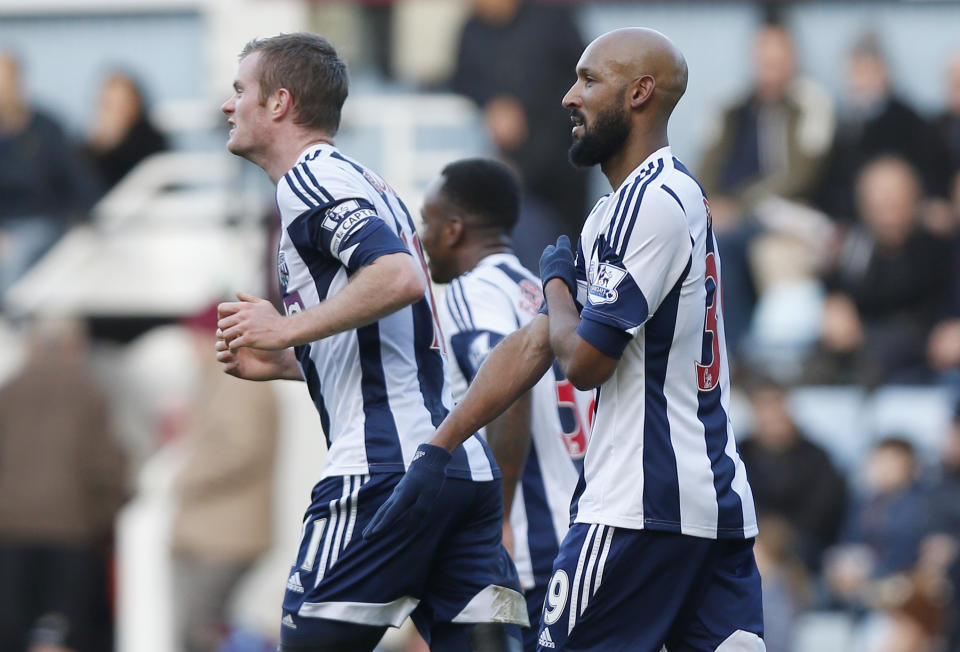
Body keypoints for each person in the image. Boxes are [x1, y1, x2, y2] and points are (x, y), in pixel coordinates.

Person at [367, 28, 764, 651]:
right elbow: (535, 345)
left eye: (588, 80)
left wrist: (555, 282)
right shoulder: (624, 207)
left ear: (639, 93)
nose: (568, 97)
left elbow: (581, 360)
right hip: (703, 505)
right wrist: (439, 448)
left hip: (638, 507)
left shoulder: (653, 202)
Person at [213, 33, 526, 652]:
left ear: (279, 103)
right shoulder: (366, 181)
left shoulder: (308, 180)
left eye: (239, 90)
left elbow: (399, 278)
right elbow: (396, 344)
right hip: (457, 464)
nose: (229, 106)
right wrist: (290, 362)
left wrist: (284, 326)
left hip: (384, 470)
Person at [419, 158, 591, 651]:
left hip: (530, 550)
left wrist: (501, 517)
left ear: (453, 230)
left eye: (427, 223)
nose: (421, 238)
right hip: (585, 536)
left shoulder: (468, 296)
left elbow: (508, 394)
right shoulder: (545, 293)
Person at [0, 316, 129, 652]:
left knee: (13, 632)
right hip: (72, 535)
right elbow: (109, 468)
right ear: (76, 346)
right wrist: (102, 520)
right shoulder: (90, 392)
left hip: (10, 532)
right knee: (67, 633)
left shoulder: (9, 390)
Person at [171, 304, 279, 652]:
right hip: (216, 532)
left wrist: (187, 476)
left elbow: (242, 447)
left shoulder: (240, 380)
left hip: (225, 536)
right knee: (206, 627)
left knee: (202, 632)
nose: (190, 346)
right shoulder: (220, 379)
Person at [450, 0, 588, 270]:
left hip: (563, 167)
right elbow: (461, 79)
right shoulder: (472, 28)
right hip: (509, 172)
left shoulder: (554, 21)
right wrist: (491, 103)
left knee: (570, 259)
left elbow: (583, 82)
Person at [0, 51, 96, 297]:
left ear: (19, 82)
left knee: (17, 256)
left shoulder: (47, 128)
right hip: (4, 226)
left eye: (7, 80)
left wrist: (86, 219)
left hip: (41, 222)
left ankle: (13, 327)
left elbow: (77, 179)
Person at [83, 70, 167, 197]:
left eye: (121, 103)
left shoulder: (150, 140)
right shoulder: (89, 145)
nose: (116, 111)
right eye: (110, 104)